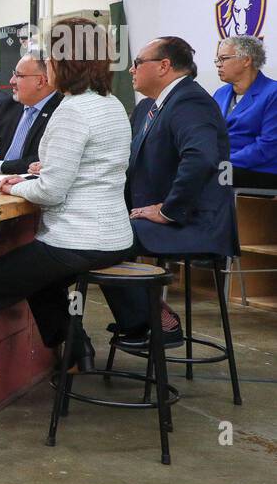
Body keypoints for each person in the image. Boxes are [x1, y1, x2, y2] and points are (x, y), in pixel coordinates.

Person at [0, 19, 137, 423]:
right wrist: (32, 178)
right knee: (40, 283)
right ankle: (77, 353)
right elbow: (82, 173)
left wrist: (13, 187)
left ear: (63, 63)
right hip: (115, 237)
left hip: (76, 241)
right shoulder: (112, 105)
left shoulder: (71, 111)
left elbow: (52, 192)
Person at [100, 36, 238, 349]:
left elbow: (201, 158)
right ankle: (140, 319)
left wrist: (167, 210)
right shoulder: (151, 106)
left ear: (164, 66)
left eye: (138, 63)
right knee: (100, 230)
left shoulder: (190, 101)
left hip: (195, 223)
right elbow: (125, 157)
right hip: (168, 217)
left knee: (107, 237)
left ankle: (156, 320)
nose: (131, 70)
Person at [0, 53, 61, 177]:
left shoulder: (61, 110)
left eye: (18, 75)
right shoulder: (8, 105)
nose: (11, 81)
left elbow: (44, 159)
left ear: (40, 81)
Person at [213, 35, 277, 189]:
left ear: (246, 60)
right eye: (217, 60)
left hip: (258, 170)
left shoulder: (272, 93)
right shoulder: (220, 93)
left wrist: (224, 163)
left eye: (224, 59)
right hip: (224, 167)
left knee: (202, 181)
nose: (218, 65)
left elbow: (269, 145)